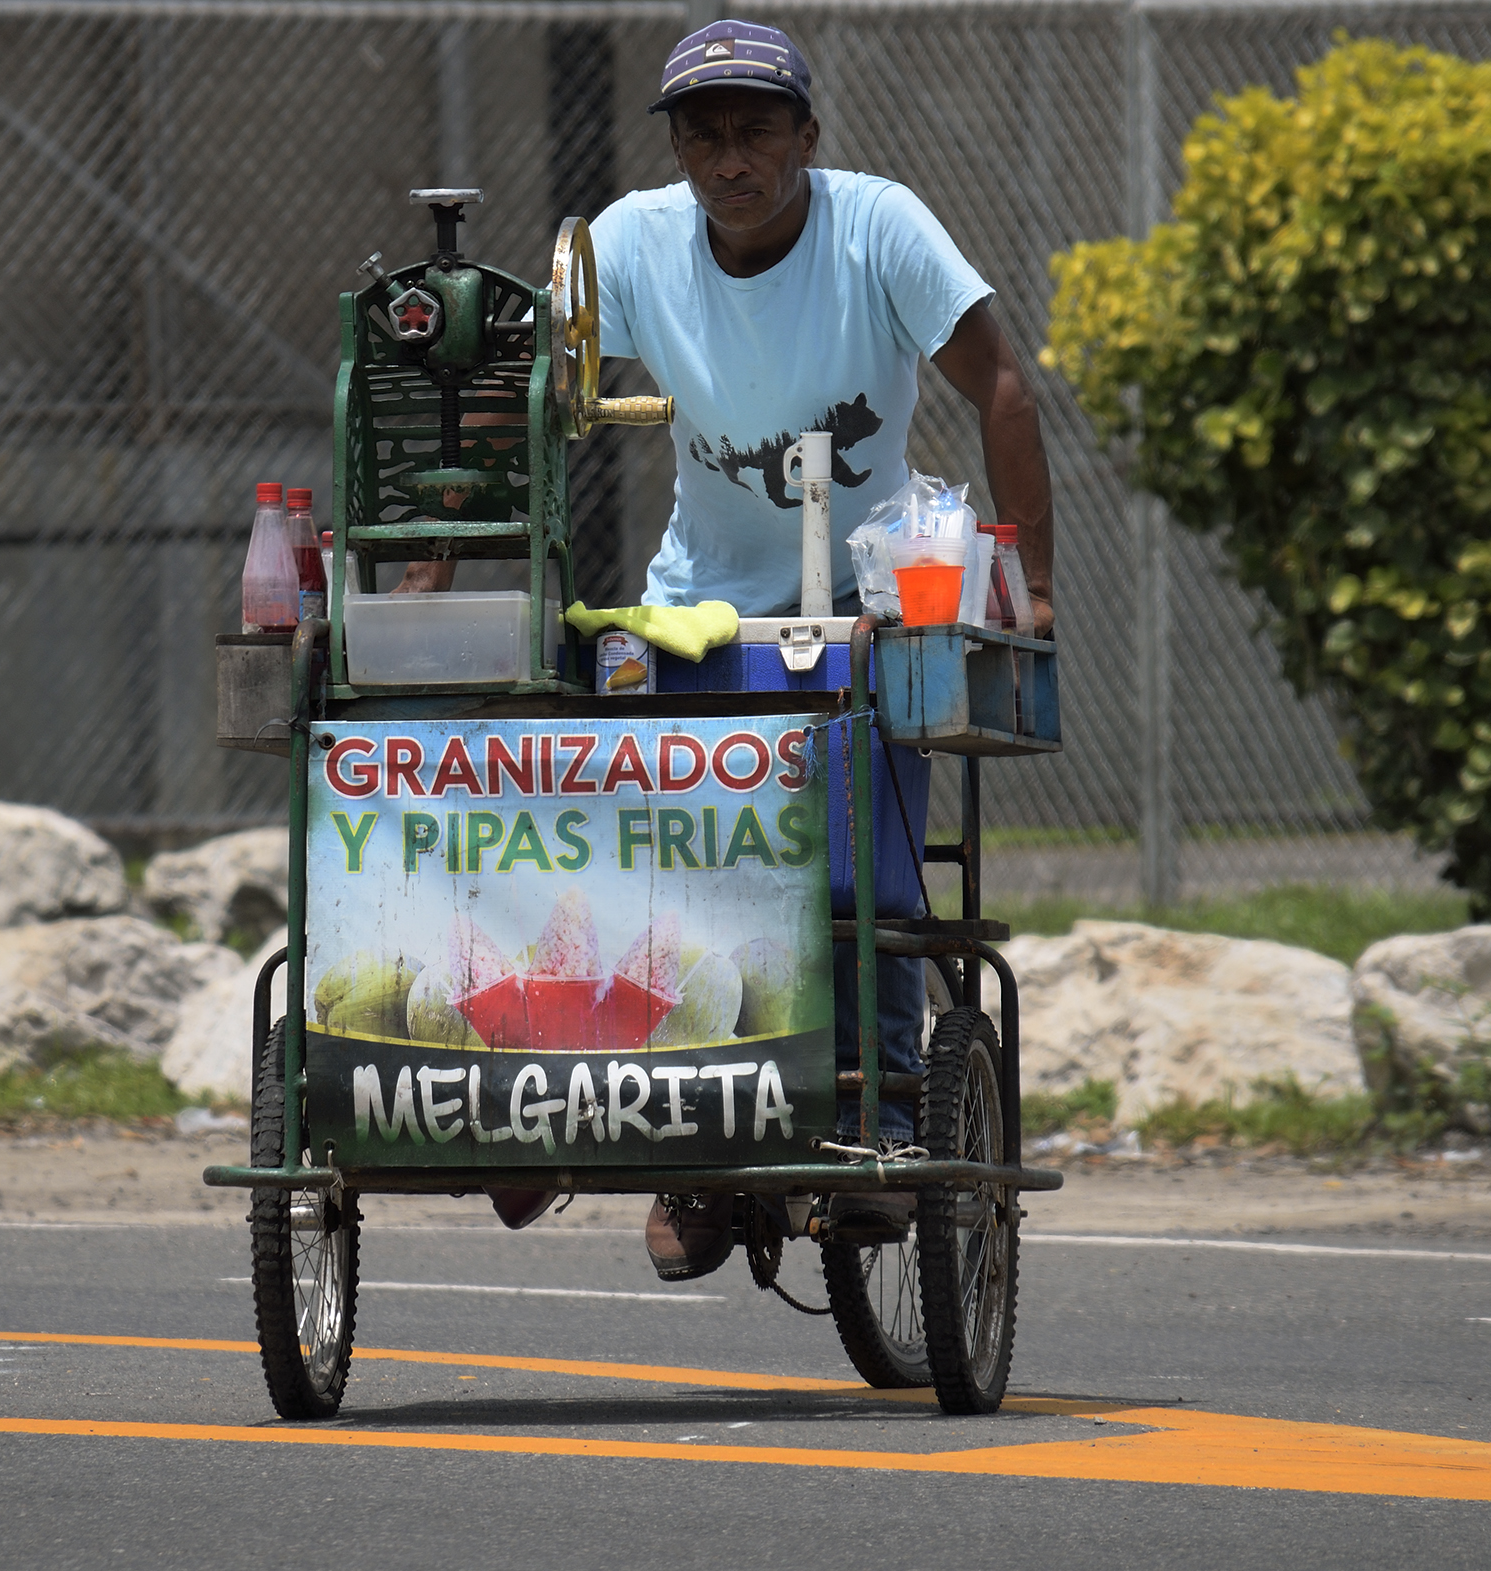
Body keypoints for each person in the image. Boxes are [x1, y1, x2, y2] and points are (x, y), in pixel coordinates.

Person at [426, 19, 1057, 1278]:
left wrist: (1027, 582)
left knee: (856, 882)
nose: (730, 160)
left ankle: (878, 1120)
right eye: (704, 135)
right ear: (678, 150)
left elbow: (1003, 382)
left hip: (866, 609)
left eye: (757, 131)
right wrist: (438, 561)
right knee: (673, 874)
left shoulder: (879, 227)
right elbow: (524, 392)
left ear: (806, 140)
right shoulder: (628, 245)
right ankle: (691, 1156)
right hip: (702, 606)